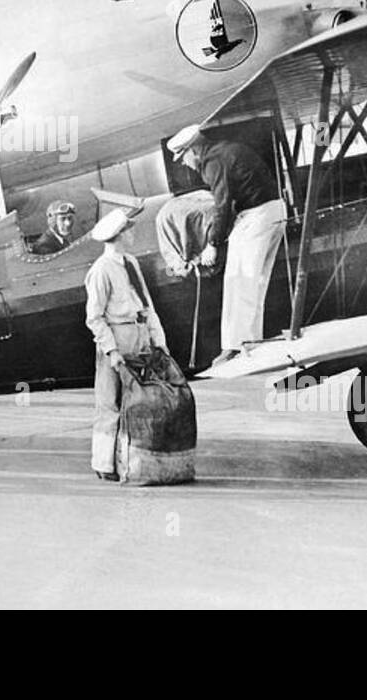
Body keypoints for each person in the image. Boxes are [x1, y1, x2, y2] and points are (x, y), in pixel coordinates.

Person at [166, 123, 285, 363]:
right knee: (256, 281)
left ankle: (236, 347)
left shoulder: (212, 162)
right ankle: (251, 342)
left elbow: (222, 204)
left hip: (256, 216)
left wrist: (213, 242)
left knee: (238, 279)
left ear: (193, 150)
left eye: (183, 157)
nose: (184, 163)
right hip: (275, 211)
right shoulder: (226, 150)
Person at [83, 205, 169, 480]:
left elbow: (146, 303)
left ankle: (131, 459)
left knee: (140, 401)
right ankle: (103, 463)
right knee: (109, 402)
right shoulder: (101, 270)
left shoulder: (131, 263)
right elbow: (94, 317)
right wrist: (111, 351)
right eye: (128, 229)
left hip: (139, 335)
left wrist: (159, 339)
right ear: (119, 234)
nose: (133, 233)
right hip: (117, 338)